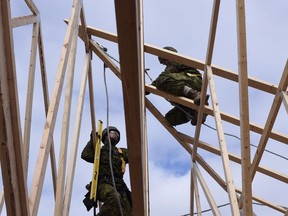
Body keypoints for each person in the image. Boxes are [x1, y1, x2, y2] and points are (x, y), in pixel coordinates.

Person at [149, 46, 209, 126]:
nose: (165, 63)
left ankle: (195, 94)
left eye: (165, 60)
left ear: (168, 55)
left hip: (192, 81)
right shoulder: (173, 63)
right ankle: (194, 112)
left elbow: (163, 78)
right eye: (163, 62)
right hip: (185, 85)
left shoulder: (176, 59)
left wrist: (149, 88)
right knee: (169, 119)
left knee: (162, 81)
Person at [81, 126, 132, 216]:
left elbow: (134, 155)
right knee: (115, 197)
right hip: (104, 183)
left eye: (116, 135)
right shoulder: (99, 151)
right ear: (105, 136)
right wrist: (92, 140)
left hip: (120, 185)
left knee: (130, 210)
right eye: (112, 133)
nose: (114, 135)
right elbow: (86, 155)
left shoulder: (121, 152)